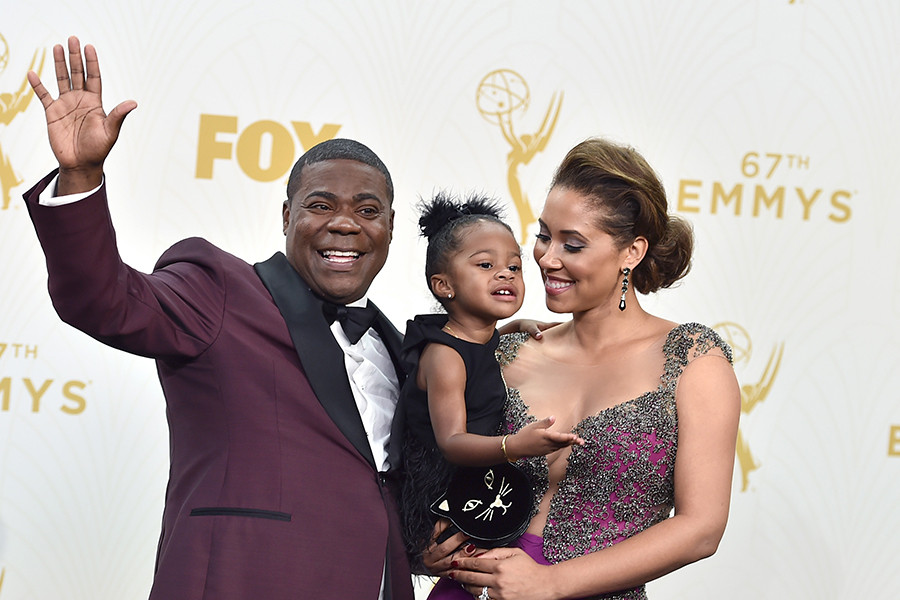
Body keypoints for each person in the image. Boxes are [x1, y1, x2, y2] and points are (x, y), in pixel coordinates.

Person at [24, 37, 413, 599]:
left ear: (390, 228)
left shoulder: (402, 350)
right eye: (321, 205)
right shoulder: (219, 288)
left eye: (368, 210)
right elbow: (104, 300)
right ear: (287, 216)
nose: (346, 224)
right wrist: (82, 177)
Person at [427, 138, 741, 600]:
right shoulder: (509, 351)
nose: (547, 258)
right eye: (543, 236)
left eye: (572, 245)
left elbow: (701, 528)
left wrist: (552, 582)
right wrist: (427, 542)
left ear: (631, 252)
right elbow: (438, 462)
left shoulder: (693, 359)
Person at [397, 193, 582, 583]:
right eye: (486, 265)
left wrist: (515, 327)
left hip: (477, 487)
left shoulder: (480, 337)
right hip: (442, 496)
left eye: (514, 266)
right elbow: (452, 442)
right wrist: (514, 445)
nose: (505, 275)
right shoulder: (445, 357)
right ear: (443, 285)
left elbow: (481, 346)